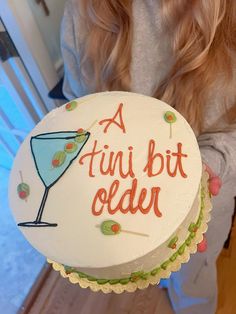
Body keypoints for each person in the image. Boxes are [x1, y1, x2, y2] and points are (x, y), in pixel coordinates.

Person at [60, 1, 236, 313]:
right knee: (153, 266)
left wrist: (202, 175)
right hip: (122, 200)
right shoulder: (83, 11)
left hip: (204, 201)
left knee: (193, 281)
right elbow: (77, 105)